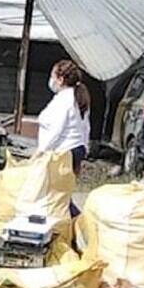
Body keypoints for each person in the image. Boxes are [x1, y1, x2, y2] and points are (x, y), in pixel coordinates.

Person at [37, 59, 91, 216]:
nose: (51, 80)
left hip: (64, 152)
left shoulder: (64, 100)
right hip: (75, 149)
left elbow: (56, 129)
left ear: (60, 79)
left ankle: (78, 225)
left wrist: (41, 152)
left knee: (56, 196)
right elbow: (86, 127)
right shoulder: (77, 97)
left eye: (53, 76)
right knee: (61, 195)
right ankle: (73, 226)